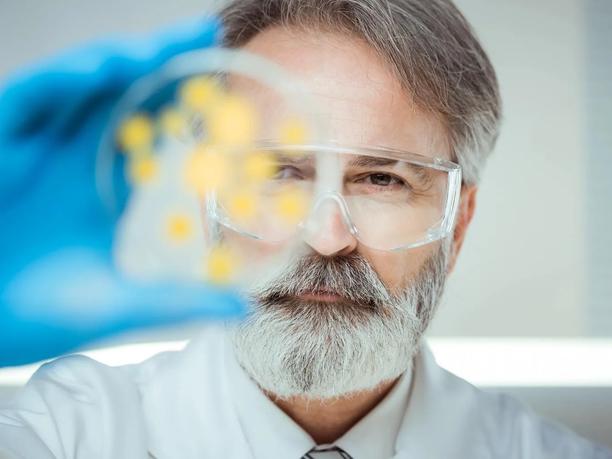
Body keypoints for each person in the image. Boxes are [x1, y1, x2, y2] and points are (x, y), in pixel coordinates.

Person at [0, 0, 611, 458]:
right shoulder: (69, 433)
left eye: (382, 180)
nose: (326, 236)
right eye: (281, 171)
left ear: (458, 226)